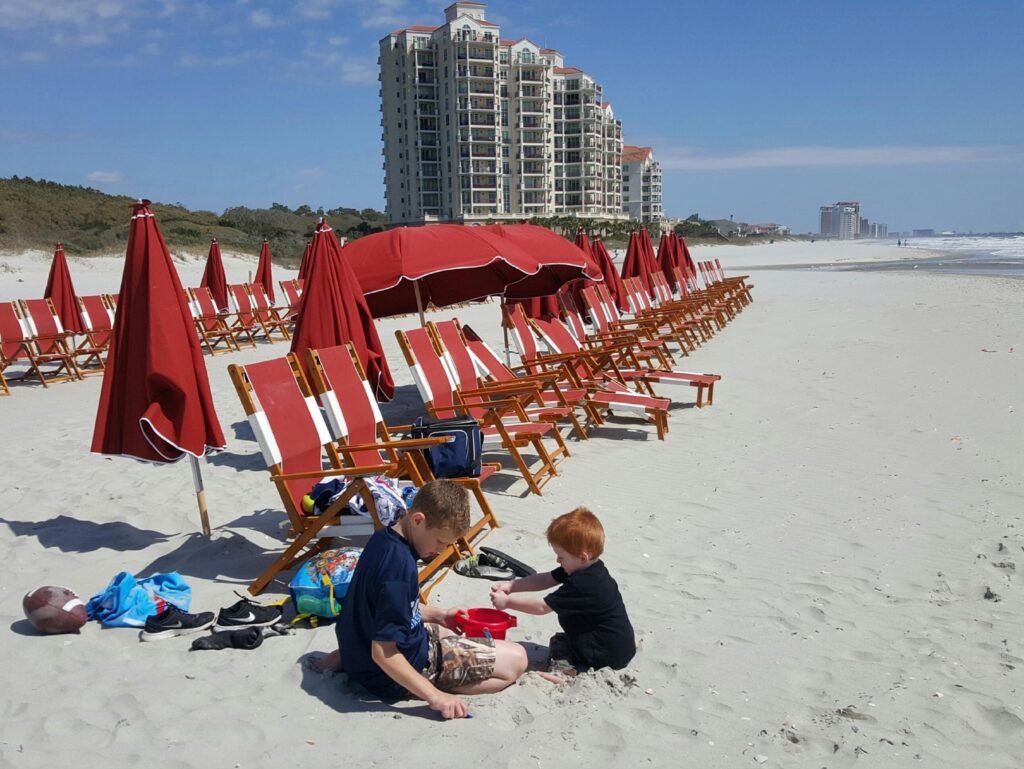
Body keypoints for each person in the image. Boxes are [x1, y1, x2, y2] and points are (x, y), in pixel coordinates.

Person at [315, 480, 528, 719]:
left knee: (447, 631)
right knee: (516, 660)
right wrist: (434, 696)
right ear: (418, 520)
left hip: (363, 651)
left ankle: (349, 657)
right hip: (394, 671)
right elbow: (383, 652)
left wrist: (440, 614)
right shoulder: (398, 569)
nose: (441, 550)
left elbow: (376, 606)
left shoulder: (382, 539)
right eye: (440, 541)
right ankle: (433, 683)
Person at [490, 507, 635, 680]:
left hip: (606, 654)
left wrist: (507, 603)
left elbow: (542, 607)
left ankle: (566, 672)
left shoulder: (583, 584)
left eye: (561, 556)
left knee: (559, 644)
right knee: (566, 637)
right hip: (621, 644)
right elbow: (545, 579)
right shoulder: (590, 568)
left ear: (582, 557)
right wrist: (512, 586)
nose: (558, 560)